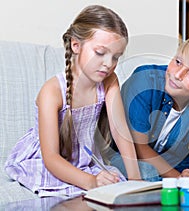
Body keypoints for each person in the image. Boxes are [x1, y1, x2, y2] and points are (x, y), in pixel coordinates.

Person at [5, 5, 141, 197]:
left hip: (83, 161)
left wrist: (135, 179)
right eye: (100, 53)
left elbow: (120, 130)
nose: (108, 64)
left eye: (116, 57)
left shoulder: (109, 82)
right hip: (48, 162)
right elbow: (51, 158)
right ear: (75, 45)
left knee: (115, 187)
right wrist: (91, 181)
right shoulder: (51, 92)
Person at [112, 34, 189, 181]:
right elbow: (138, 147)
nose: (177, 75)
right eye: (178, 62)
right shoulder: (144, 80)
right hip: (129, 157)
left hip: (170, 162)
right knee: (146, 171)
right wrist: (179, 178)